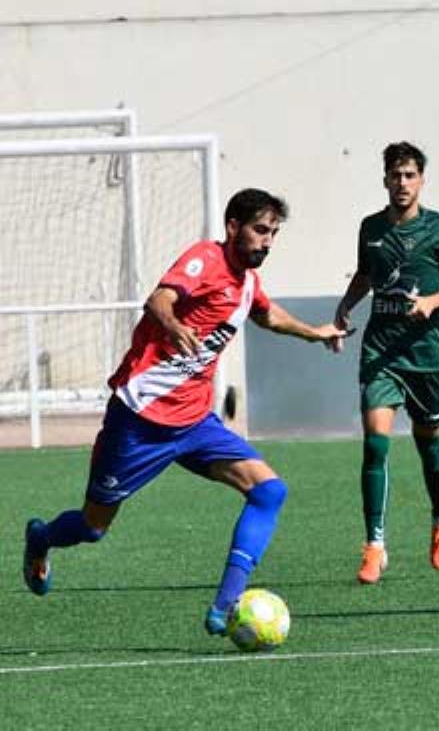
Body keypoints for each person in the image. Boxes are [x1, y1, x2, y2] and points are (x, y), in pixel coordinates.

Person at [21, 188, 346, 636]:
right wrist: (172, 327)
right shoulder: (206, 259)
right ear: (233, 227)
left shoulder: (248, 283)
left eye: (273, 233)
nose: (267, 241)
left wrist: (315, 333)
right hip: (139, 421)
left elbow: (267, 317)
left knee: (269, 491)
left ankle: (226, 607)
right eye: (259, 230)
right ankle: (41, 538)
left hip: (194, 422)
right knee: (94, 527)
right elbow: (158, 300)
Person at [331, 141, 439, 585]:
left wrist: (432, 301)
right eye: (396, 175)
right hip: (381, 349)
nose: (402, 183)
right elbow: (366, 274)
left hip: (426, 353)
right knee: (375, 442)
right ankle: (375, 545)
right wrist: (344, 307)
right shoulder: (371, 228)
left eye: (410, 175)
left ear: (421, 180)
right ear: (385, 179)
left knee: (429, 442)